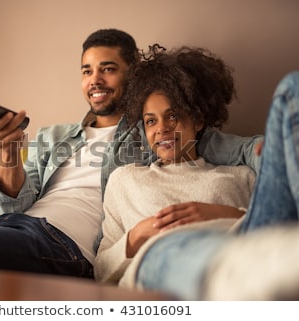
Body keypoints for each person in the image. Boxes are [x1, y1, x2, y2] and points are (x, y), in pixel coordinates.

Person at [0, 29, 261, 279]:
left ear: (133, 73)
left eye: (108, 68)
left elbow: (245, 152)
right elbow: (15, 199)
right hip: (17, 228)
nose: (95, 79)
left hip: (64, 249)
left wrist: (262, 153)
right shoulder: (55, 137)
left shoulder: (156, 130)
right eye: (86, 70)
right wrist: (8, 157)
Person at [94, 45, 299, 300]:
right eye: (150, 121)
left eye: (173, 116)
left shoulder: (240, 175)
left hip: (246, 241)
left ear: (198, 121)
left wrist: (225, 213)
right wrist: (137, 235)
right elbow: (100, 270)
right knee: (186, 251)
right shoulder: (124, 180)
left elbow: (263, 224)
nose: (162, 129)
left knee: (293, 88)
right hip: (166, 252)